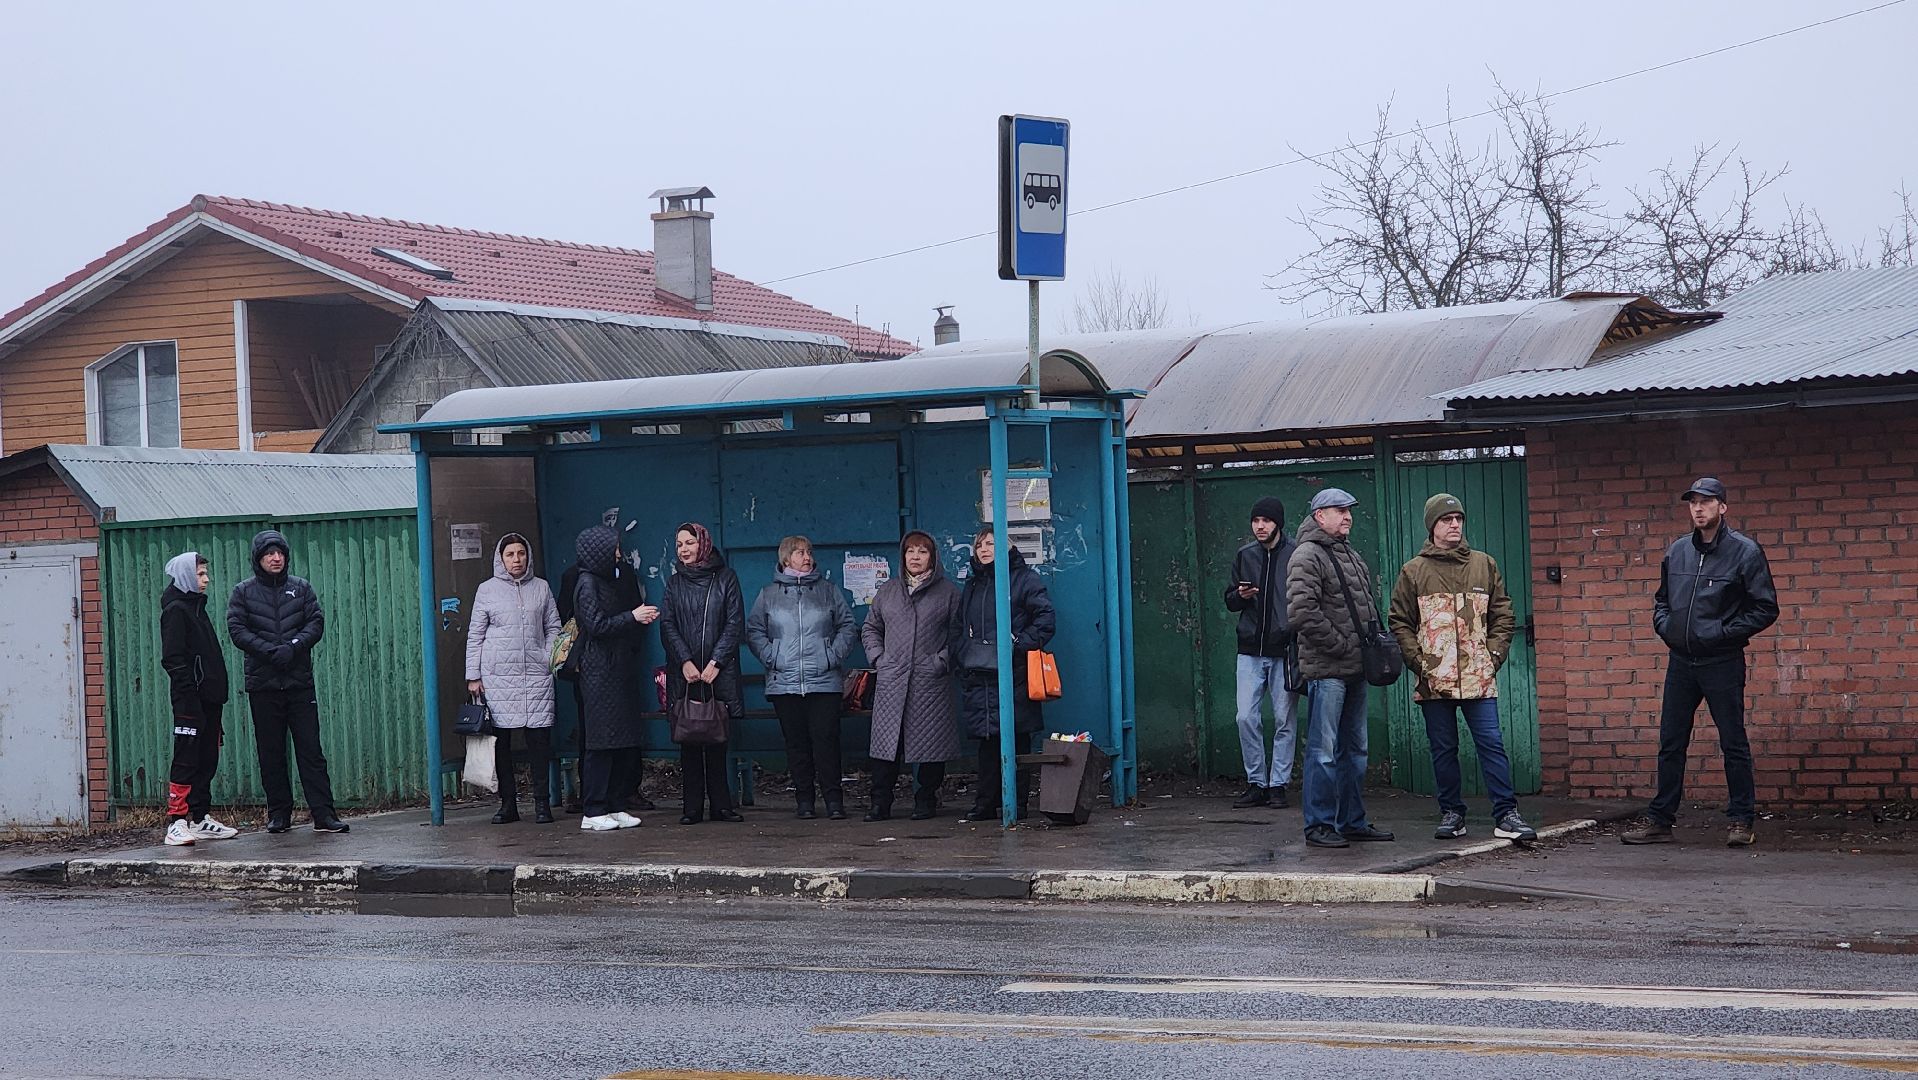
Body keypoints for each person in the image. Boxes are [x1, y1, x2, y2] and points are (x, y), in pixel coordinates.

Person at [1624, 477, 1779, 848]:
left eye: (1706, 502)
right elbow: (1662, 599)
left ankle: (1741, 820)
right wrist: (1665, 626)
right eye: (1693, 502)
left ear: (1722, 507)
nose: (1698, 508)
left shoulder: (1745, 552)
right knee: (1671, 742)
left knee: (1733, 743)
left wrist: (1722, 633)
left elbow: (1765, 608)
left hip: (1722, 661)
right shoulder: (1677, 551)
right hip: (1681, 661)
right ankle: (1660, 819)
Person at [1388, 494, 1536, 843]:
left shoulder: (1484, 564)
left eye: (1458, 519)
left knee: (1491, 743)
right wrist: (1421, 664)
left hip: (1478, 677)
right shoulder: (1414, 571)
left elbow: (1503, 613)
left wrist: (1494, 656)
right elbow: (1400, 621)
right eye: (1446, 519)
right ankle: (1452, 813)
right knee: (1443, 748)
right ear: (1432, 526)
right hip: (1433, 680)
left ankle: (1506, 814)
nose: (1454, 525)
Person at [1286, 489, 1394, 850]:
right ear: (1319, 516)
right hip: (1327, 670)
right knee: (1323, 750)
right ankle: (1319, 825)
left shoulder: (1348, 553)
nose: (1347, 516)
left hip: (1354, 669)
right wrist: (1342, 646)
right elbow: (1302, 612)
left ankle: (1351, 821)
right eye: (1339, 510)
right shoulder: (1307, 555)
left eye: (1349, 510)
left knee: (1356, 750)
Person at [226, 529, 346, 834]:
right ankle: (279, 814)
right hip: (263, 684)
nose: (275, 558)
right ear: (258, 558)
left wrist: (292, 647)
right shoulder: (243, 592)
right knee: (271, 752)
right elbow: (237, 629)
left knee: (311, 750)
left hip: (299, 682)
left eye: (279, 552)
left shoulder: (302, 588)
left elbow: (315, 623)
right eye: (269, 553)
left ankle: (324, 814)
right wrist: (269, 652)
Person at [747, 535, 857, 820]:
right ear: (786, 559)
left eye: (808, 552)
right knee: (796, 744)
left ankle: (834, 801)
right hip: (785, 683)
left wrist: (831, 657)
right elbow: (755, 630)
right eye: (799, 553)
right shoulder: (768, 594)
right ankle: (804, 801)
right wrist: (773, 657)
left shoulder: (828, 591)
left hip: (824, 681)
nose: (806, 557)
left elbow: (847, 626)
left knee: (826, 740)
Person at [950, 526, 1056, 823]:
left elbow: (1045, 619)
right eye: (980, 545)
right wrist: (962, 652)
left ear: (1007, 547)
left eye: (991, 544)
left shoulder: (1024, 580)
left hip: (1014, 673)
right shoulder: (973, 585)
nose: (984, 549)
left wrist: (1017, 644)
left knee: (1016, 738)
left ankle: (1017, 803)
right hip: (979, 674)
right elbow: (958, 625)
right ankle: (986, 803)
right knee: (986, 742)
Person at [860, 530, 963, 821]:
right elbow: (870, 628)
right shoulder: (888, 591)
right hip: (892, 680)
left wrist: (940, 662)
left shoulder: (948, 593)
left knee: (931, 745)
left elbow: (958, 635)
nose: (915, 557)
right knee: (885, 747)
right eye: (910, 552)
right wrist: (880, 658)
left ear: (932, 557)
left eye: (922, 552)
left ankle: (926, 800)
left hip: (929, 681)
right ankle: (880, 803)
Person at [556, 521, 655, 815]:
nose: (618, 554)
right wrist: (633, 617)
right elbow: (596, 625)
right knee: (599, 741)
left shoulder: (609, 578)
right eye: (613, 549)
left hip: (614, 668)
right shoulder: (586, 583)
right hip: (597, 670)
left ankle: (614, 804)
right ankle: (594, 808)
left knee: (617, 738)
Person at [466, 533, 563, 825]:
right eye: (510, 554)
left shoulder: (541, 588)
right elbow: (476, 634)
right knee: (502, 744)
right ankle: (508, 804)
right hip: (498, 678)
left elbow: (554, 626)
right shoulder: (487, 590)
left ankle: (542, 804)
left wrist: (548, 657)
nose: (517, 559)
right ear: (501, 558)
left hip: (536, 675)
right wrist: (473, 675)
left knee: (539, 741)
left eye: (521, 553)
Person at [661, 522, 747, 826]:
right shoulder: (673, 583)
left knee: (716, 737)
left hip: (716, 672)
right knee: (689, 737)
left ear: (703, 544)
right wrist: (684, 661)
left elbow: (735, 622)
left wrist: (716, 662)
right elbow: (668, 624)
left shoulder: (726, 578)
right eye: (679, 544)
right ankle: (691, 806)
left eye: (689, 543)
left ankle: (722, 805)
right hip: (685, 673)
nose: (684, 549)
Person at [1222, 496, 1300, 809]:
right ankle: (1256, 782)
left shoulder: (1296, 554)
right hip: (1250, 649)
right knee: (1245, 717)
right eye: (1256, 521)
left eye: (1265, 521)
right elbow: (1229, 601)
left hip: (1284, 650)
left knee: (1284, 719)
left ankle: (1278, 784)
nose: (1260, 526)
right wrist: (1240, 596)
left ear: (1277, 523)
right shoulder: (1245, 555)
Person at [159, 552, 237, 846]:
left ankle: (200, 818)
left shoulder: (196, 607)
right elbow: (173, 659)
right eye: (201, 574)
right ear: (186, 576)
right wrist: (189, 694)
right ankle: (176, 822)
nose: (206, 579)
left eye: (205, 574)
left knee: (208, 757)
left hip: (211, 698)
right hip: (189, 701)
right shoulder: (176, 610)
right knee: (187, 757)